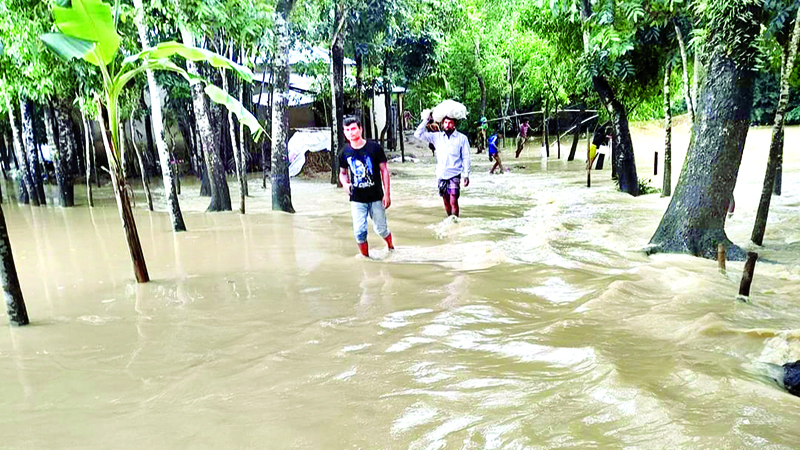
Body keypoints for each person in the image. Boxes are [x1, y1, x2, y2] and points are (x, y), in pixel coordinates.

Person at [339, 116, 394, 257]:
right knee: (359, 231)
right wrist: (345, 184)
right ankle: (366, 258)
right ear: (344, 133)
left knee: (381, 229)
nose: (350, 132)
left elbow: (384, 171)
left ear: (360, 129)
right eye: (347, 130)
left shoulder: (374, 148)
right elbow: (343, 173)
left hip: (376, 196)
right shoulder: (344, 152)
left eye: (353, 129)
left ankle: (391, 247)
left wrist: (387, 194)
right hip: (357, 198)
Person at [414, 112, 471, 217]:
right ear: (442, 124)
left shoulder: (462, 138)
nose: (447, 125)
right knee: (445, 200)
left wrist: (466, 174)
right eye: (445, 122)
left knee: (453, 199)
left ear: (454, 124)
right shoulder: (437, 137)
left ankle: (455, 221)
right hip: (441, 174)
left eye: (450, 123)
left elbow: (466, 157)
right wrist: (427, 119)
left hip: (455, 173)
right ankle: (450, 218)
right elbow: (418, 134)